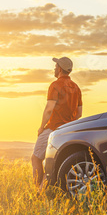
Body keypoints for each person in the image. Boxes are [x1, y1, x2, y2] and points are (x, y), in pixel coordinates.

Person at [31, 57, 82, 188]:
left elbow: (49, 109)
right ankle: (42, 191)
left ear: (60, 69)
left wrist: (41, 127)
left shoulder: (55, 85)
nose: (54, 68)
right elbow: (79, 113)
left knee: (36, 158)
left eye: (55, 66)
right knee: (51, 162)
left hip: (53, 128)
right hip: (67, 130)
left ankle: (36, 191)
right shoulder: (76, 88)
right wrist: (68, 123)